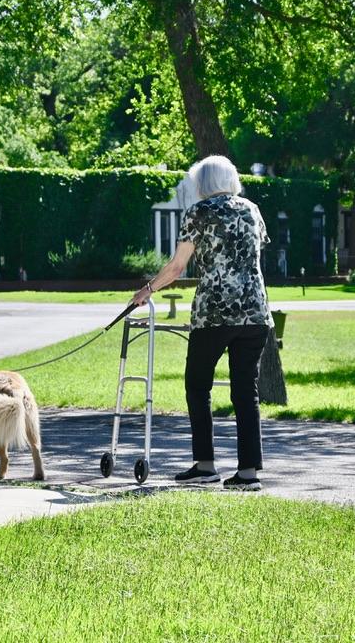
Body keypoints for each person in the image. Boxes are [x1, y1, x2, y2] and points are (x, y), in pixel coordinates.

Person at [131, 155, 272, 491]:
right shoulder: (252, 210)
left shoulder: (200, 212)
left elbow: (178, 266)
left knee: (198, 385)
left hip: (215, 312)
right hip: (255, 311)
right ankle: (248, 473)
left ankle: (205, 464)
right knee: (245, 390)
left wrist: (147, 290)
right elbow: (253, 257)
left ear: (203, 183)